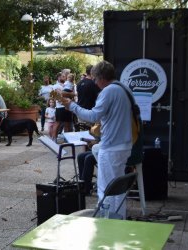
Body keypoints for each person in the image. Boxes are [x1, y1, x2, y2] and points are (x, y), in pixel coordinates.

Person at [62, 60, 133, 219]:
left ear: (101, 77)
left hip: (112, 147)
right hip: (123, 145)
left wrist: (72, 106)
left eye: (94, 79)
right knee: (117, 188)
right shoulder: (123, 89)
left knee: (105, 188)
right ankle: (118, 220)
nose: (94, 82)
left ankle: (107, 223)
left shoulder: (108, 91)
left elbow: (93, 116)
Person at [52, 72, 72, 141]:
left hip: (67, 107)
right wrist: (62, 100)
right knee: (58, 123)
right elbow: (54, 97)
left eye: (65, 76)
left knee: (67, 123)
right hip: (60, 107)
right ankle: (54, 138)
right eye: (63, 76)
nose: (65, 77)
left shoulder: (67, 85)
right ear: (59, 77)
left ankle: (67, 139)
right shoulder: (55, 86)